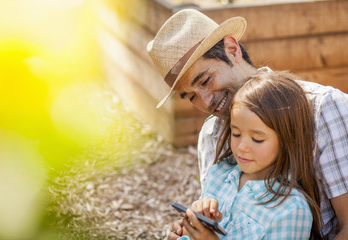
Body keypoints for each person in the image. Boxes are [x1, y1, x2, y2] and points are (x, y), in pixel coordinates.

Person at [146, 9, 348, 240]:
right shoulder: (212, 134)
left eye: (205, 80)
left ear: (232, 50)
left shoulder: (325, 108)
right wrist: (193, 229)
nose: (205, 102)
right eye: (190, 96)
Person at [178, 70, 322, 239]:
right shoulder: (220, 173)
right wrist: (194, 222)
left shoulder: (291, 210)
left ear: (288, 139)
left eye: (257, 139)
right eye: (236, 134)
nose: (242, 147)